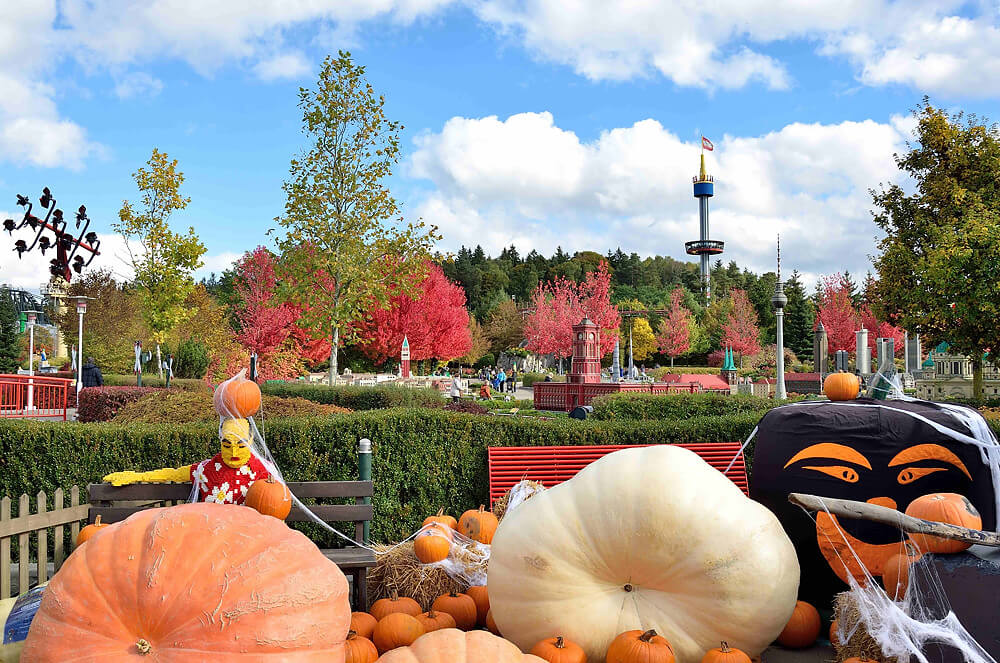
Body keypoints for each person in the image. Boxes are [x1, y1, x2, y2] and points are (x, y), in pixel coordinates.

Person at [102, 418, 272, 505]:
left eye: (240, 446)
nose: (234, 452)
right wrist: (137, 476)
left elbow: (276, 500)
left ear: (250, 441)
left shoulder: (263, 470)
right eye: (227, 446)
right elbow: (175, 474)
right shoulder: (208, 470)